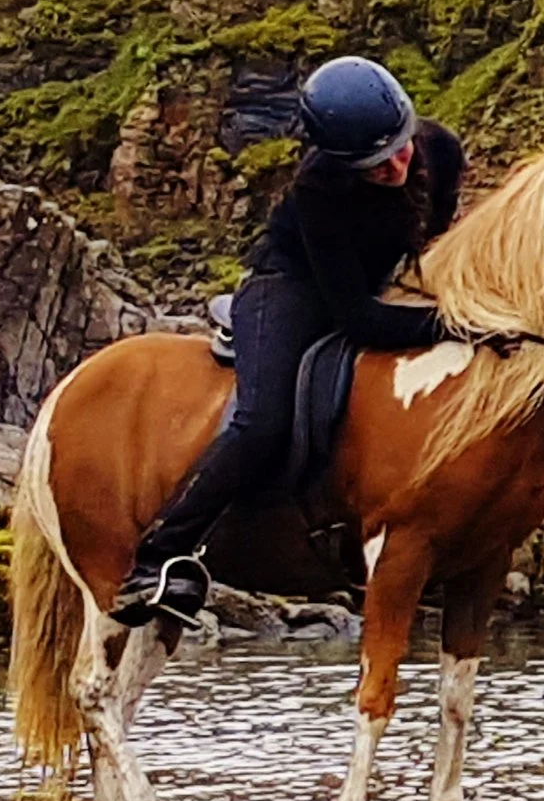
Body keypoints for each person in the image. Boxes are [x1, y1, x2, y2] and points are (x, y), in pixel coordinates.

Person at [111, 57, 466, 630]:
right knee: (263, 419)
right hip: (294, 289)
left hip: (379, 285)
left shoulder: (440, 149)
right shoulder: (318, 187)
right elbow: (355, 318)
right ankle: (159, 556)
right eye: (375, 166)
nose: (396, 165)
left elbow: (440, 245)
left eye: (400, 149)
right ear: (346, 163)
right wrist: (445, 324)